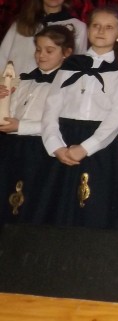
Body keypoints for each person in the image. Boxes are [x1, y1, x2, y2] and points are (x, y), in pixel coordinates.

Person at [38, 5, 118, 228]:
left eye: (109, 27)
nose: (101, 31)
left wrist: (86, 147)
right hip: (63, 139)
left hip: (98, 147)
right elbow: (51, 107)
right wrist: (55, 145)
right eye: (96, 25)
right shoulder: (69, 66)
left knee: (90, 208)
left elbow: (116, 118)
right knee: (54, 208)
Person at [0, 25, 74, 225]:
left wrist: (21, 126)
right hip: (13, 147)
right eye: (38, 49)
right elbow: (11, 112)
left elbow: (60, 124)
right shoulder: (24, 79)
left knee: (32, 202)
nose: (41, 55)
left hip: (40, 149)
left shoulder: (68, 85)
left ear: (66, 53)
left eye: (49, 50)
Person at [0, 0, 86, 75]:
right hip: (14, 84)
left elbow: (77, 66)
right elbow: (2, 57)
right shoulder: (21, 23)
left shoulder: (78, 27)